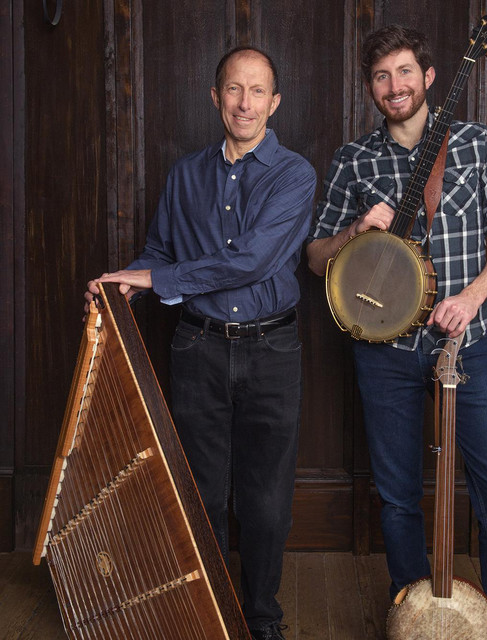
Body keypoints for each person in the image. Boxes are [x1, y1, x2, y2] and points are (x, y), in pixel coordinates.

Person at [85, 46, 317, 640]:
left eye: (258, 91)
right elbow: (159, 253)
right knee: (200, 493)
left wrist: (155, 279)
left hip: (272, 352)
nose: (245, 103)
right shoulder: (185, 174)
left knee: (266, 501)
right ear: (215, 97)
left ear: (275, 102)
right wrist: (123, 283)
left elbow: (252, 260)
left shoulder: (294, 175)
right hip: (198, 349)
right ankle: (209, 616)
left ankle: (261, 619)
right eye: (234, 89)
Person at [307, 24, 487, 639]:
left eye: (405, 71)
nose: (394, 85)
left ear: (428, 77)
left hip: (465, 349)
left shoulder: (478, 146)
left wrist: (472, 298)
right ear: (370, 87)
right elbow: (316, 259)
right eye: (381, 76)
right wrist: (354, 230)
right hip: (384, 353)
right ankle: (416, 625)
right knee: (399, 499)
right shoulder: (355, 159)